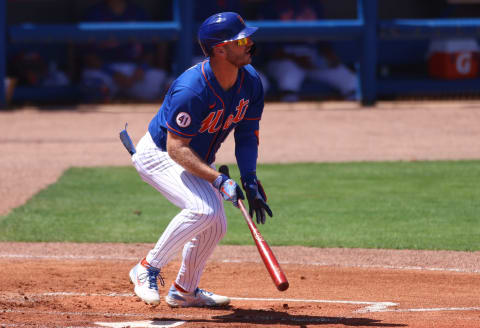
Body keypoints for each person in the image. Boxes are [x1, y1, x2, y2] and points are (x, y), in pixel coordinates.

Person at [127, 12, 273, 307]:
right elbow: (176, 147)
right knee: (203, 209)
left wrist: (249, 178)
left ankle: (184, 290)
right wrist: (218, 179)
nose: (250, 43)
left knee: (216, 223)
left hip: (192, 158)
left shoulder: (251, 82)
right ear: (221, 49)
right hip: (159, 155)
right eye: (241, 40)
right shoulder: (192, 89)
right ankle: (147, 268)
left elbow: (246, 135)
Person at [261, 0, 358, 101]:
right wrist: (295, 59)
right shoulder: (270, 6)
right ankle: (289, 109)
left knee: (349, 79)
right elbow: (269, 49)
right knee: (289, 79)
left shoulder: (313, 4)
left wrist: (330, 56)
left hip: (313, 57)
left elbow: (324, 40)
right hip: (285, 59)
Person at [80, 0, 168, 102]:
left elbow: (149, 52)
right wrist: (113, 74)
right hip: (104, 71)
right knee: (92, 85)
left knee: (162, 81)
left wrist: (141, 69)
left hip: (133, 71)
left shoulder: (138, 12)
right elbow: (88, 56)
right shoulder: (94, 14)